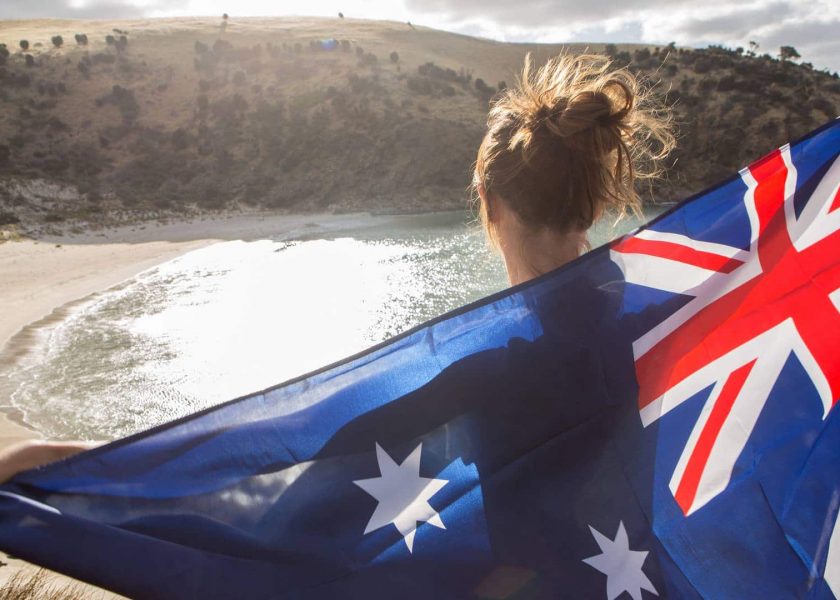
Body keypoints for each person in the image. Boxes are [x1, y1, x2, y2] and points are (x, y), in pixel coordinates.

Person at [0, 52, 673, 484]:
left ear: (487, 201)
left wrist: (69, 466)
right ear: (594, 202)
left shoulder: (485, 367)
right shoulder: (655, 322)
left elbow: (286, 449)